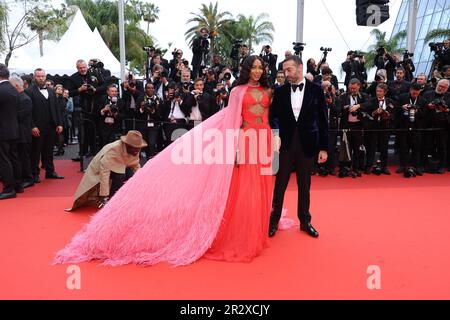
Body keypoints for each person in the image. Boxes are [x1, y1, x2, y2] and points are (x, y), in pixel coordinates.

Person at [54, 56, 283, 266]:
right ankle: (242, 233)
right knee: (244, 187)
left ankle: (256, 229)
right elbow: (233, 121)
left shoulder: (267, 90)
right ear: (246, 69)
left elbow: (269, 117)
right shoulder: (237, 92)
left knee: (261, 185)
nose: (257, 70)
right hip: (244, 140)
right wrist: (233, 149)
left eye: (260, 67)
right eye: (253, 67)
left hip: (262, 140)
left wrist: (275, 136)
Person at [268, 55, 329, 238]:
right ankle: (273, 221)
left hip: (307, 144)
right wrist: (276, 133)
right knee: (280, 185)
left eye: (289, 70)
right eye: (284, 70)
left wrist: (324, 148)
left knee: (305, 185)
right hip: (284, 145)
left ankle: (305, 221)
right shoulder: (279, 92)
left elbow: (323, 120)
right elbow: (273, 117)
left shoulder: (316, 90)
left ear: (300, 68)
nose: (286, 74)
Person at [66, 130, 146, 212]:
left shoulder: (135, 149)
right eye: (135, 148)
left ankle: (125, 197)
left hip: (121, 167)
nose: (137, 151)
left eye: (139, 148)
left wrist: (144, 188)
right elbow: (104, 174)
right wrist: (104, 196)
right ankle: (113, 199)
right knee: (120, 176)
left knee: (131, 176)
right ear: (128, 145)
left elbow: (136, 167)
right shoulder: (113, 150)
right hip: (101, 170)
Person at [25, 68, 64, 183]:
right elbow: (28, 111)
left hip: (51, 126)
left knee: (49, 150)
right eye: (38, 76)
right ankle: (35, 174)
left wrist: (59, 123)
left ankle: (50, 171)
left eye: (43, 76)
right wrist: (32, 126)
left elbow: (57, 109)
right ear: (34, 77)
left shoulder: (51, 91)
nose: (41, 78)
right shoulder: (29, 91)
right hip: (37, 126)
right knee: (35, 151)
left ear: (45, 77)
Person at [0, 64, 21, 200]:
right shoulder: (13, 89)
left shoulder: (1, 90)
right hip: (13, 129)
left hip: (2, 130)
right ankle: (18, 185)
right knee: (14, 157)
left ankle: (9, 188)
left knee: (4, 159)